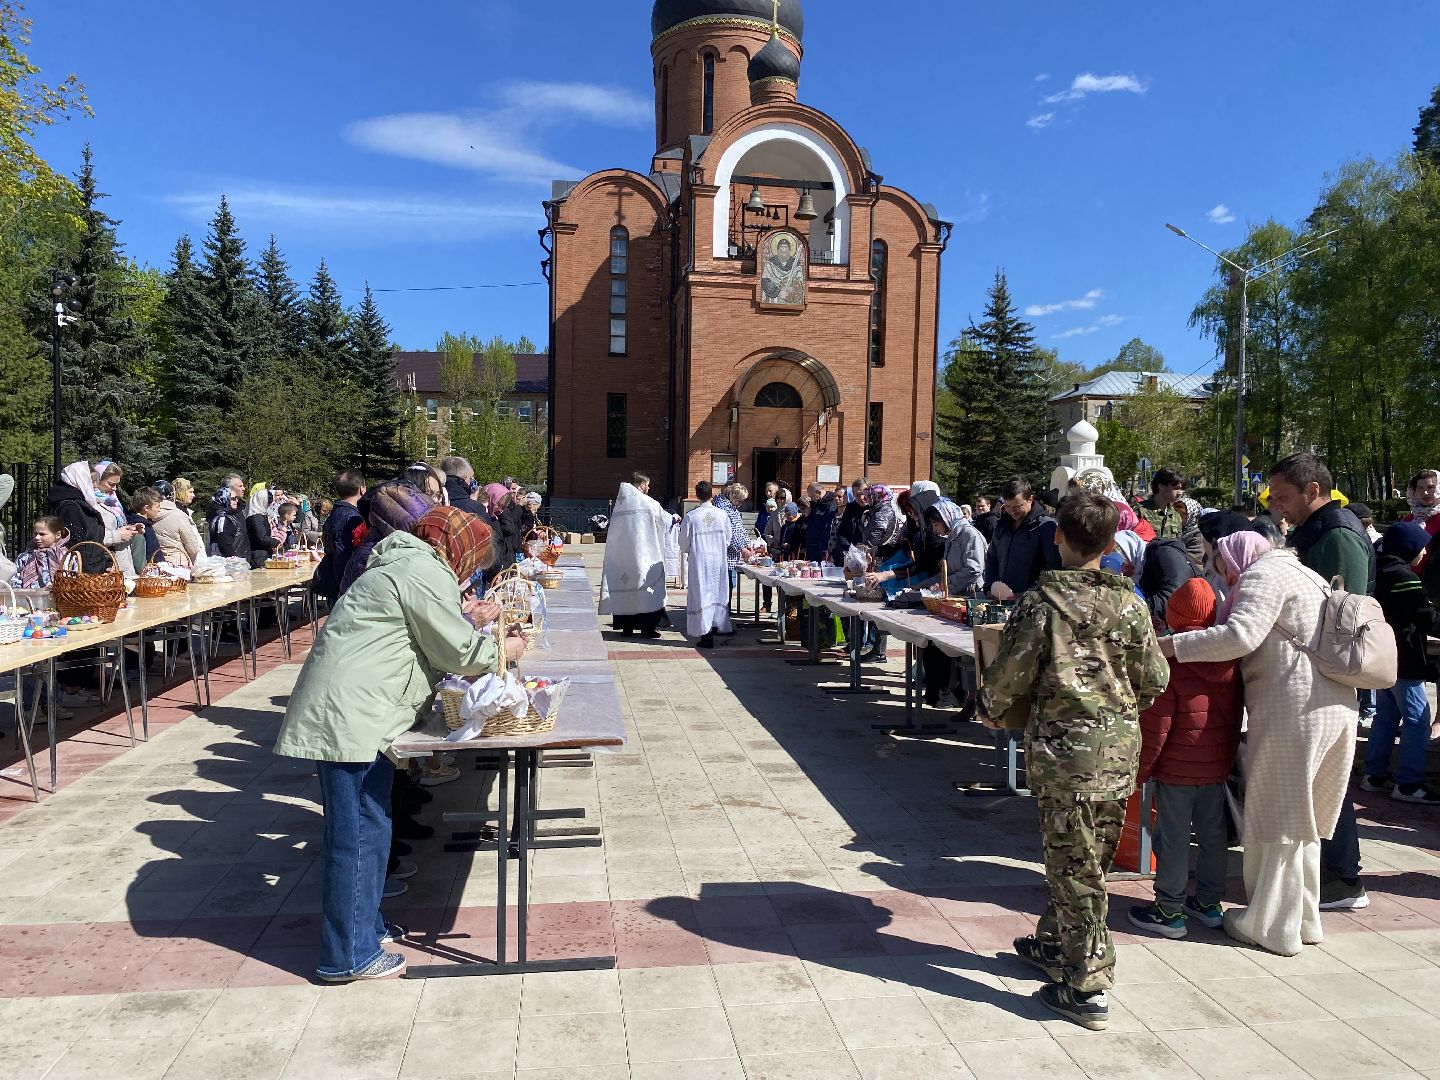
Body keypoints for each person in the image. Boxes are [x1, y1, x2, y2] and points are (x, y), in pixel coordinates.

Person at [273, 506, 523, 983]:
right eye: (473, 558)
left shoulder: (408, 564)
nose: (472, 569)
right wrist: (499, 652)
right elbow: (456, 651)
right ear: (458, 547)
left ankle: (363, 928)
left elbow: (425, 630)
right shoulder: (420, 569)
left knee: (371, 828)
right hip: (351, 717)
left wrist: (465, 619)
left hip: (358, 713)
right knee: (359, 836)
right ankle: (346, 954)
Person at [980, 492, 1169, 1030]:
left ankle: (1087, 983)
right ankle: (1053, 941)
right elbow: (1155, 679)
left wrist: (989, 709)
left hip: (1064, 757)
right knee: (1087, 858)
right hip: (1116, 753)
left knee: (1075, 863)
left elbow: (1006, 679)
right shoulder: (1130, 604)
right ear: (1111, 546)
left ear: (1057, 536)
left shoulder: (1041, 605)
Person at [1164, 529, 1356, 956]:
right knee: (1301, 824)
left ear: (1236, 558)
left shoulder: (1262, 575)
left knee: (1276, 820)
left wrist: (1172, 647)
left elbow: (1240, 635)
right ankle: (1304, 920)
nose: (1222, 577)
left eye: (1220, 566)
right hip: (1335, 707)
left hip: (1294, 711)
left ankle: (1272, 925)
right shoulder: (1306, 573)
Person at [1267, 451, 1373, 912]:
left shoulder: (1337, 534)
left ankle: (1341, 877)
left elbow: (1341, 612)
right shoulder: (1325, 530)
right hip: (1314, 673)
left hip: (1322, 676)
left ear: (1314, 491)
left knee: (1328, 780)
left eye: (1285, 497)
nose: (1278, 507)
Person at [1128, 577, 1243, 939]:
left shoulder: (1170, 662)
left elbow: (1156, 726)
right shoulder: (1230, 659)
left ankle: (1169, 910)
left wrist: (1141, 770)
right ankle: (1208, 903)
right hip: (1215, 767)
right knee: (1213, 835)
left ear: (1173, 618)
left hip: (1176, 768)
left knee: (1173, 838)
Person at [1361, 522, 1440, 803]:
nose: (1426, 552)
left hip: (1383, 658)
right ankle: (1409, 783)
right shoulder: (1403, 576)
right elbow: (1424, 616)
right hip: (1405, 659)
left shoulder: (1378, 569)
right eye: (1422, 547)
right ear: (1409, 548)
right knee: (1418, 719)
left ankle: (1375, 774)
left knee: (1386, 715)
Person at [599, 473, 673, 638]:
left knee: (626, 589)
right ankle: (647, 629)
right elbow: (664, 519)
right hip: (643, 555)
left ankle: (627, 628)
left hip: (623, 557)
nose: (649, 488)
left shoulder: (621, 503)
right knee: (644, 591)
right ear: (641, 484)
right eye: (647, 484)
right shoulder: (648, 502)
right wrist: (674, 518)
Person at [48, 461, 140, 575]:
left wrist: (107, 564)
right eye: (91, 482)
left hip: (98, 568)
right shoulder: (70, 507)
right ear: (80, 480)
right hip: (85, 574)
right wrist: (117, 535)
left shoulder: (85, 503)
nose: (95, 486)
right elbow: (79, 545)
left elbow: (93, 537)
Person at [983, 477, 1061, 601]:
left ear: (1030, 499)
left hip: (1031, 603)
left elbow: (1053, 568)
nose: (1012, 511)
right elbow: (992, 559)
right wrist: (989, 587)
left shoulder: (1045, 527)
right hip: (1000, 600)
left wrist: (1028, 594)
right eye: (1007, 506)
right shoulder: (1002, 526)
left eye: (1017, 506)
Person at [680, 481, 734, 650]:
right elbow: (728, 539)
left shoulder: (691, 516)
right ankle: (717, 626)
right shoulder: (722, 515)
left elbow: (683, 543)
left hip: (700, 560)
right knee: (717, 593)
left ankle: (706, 634)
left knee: (702, 594)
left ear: (697, 496)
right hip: (717, 560)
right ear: (712, 495)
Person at [314, 470, 367, 606]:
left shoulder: (335, 513)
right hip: (344, 584)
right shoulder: (352, 518)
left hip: (335, 580)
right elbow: (342, 554)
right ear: (362, 489)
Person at [133, 486, 204, 568]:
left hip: (160, 567)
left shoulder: (143, 522)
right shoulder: (142, 527)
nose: (159, 510)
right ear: (146, 508)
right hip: (175, 565)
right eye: (157, 507)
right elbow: (192, 546)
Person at [9, 516, 68, 589]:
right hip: (30, 598)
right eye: (35, 534)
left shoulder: (66, 556)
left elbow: (74, 579)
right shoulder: (25, 557)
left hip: (61, 598)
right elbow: (15, 580)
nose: (37, 537)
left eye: (42, 534)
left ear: (58, 535)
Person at [1138, 468, 1186, 539]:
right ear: (1161, 486)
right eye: (1175, 488)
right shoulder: (1140, 512)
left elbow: (1177, 544)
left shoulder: (1175, 515)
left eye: (1180, 489)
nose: (1180, 493)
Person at [208, 486, 250, 561]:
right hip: (228, 564)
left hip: (237, 561)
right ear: (224, 498)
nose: (236, 501)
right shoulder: (222, 519)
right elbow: (224, 543)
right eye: (233, 499)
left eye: (236, 498)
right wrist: (234, 560)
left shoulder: (231, 516)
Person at [803, 483, 837, 562]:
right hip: (813, 544)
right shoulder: (815, 504)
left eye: (811, 496)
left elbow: (827, 524)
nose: (811, 499)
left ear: (818, 493)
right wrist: (807, 515)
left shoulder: (830, 504)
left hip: (822, 545)